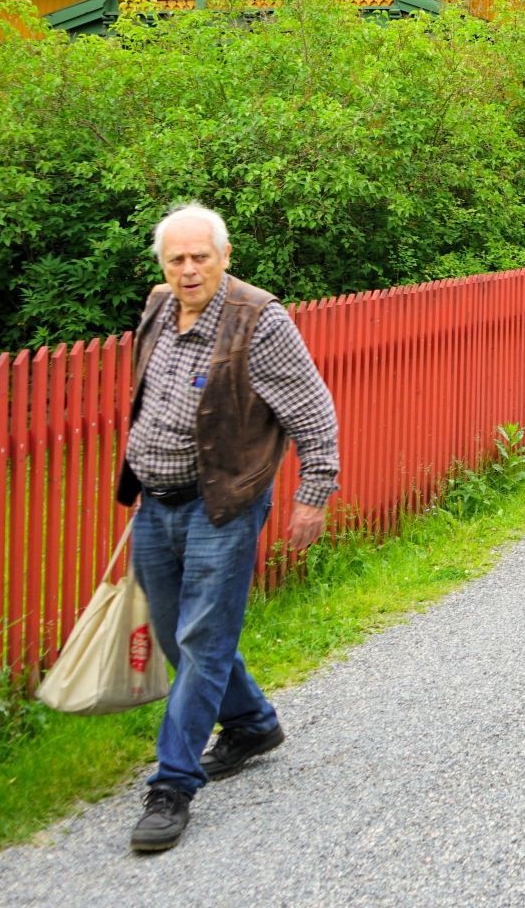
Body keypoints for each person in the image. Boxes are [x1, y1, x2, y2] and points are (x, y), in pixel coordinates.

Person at [119, 203, 339, 853]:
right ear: (163, 264)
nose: (188, 270)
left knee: (202, 640)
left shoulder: (258, 321)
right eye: (176, 259)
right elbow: (152, 398)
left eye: (200, 257)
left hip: (224, 503)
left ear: (225, 255)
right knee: (174, 634)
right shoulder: (159, 306)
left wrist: (314, 491)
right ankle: (251, 722)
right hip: (155, 503)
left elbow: (311, 406)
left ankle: (173, 785)